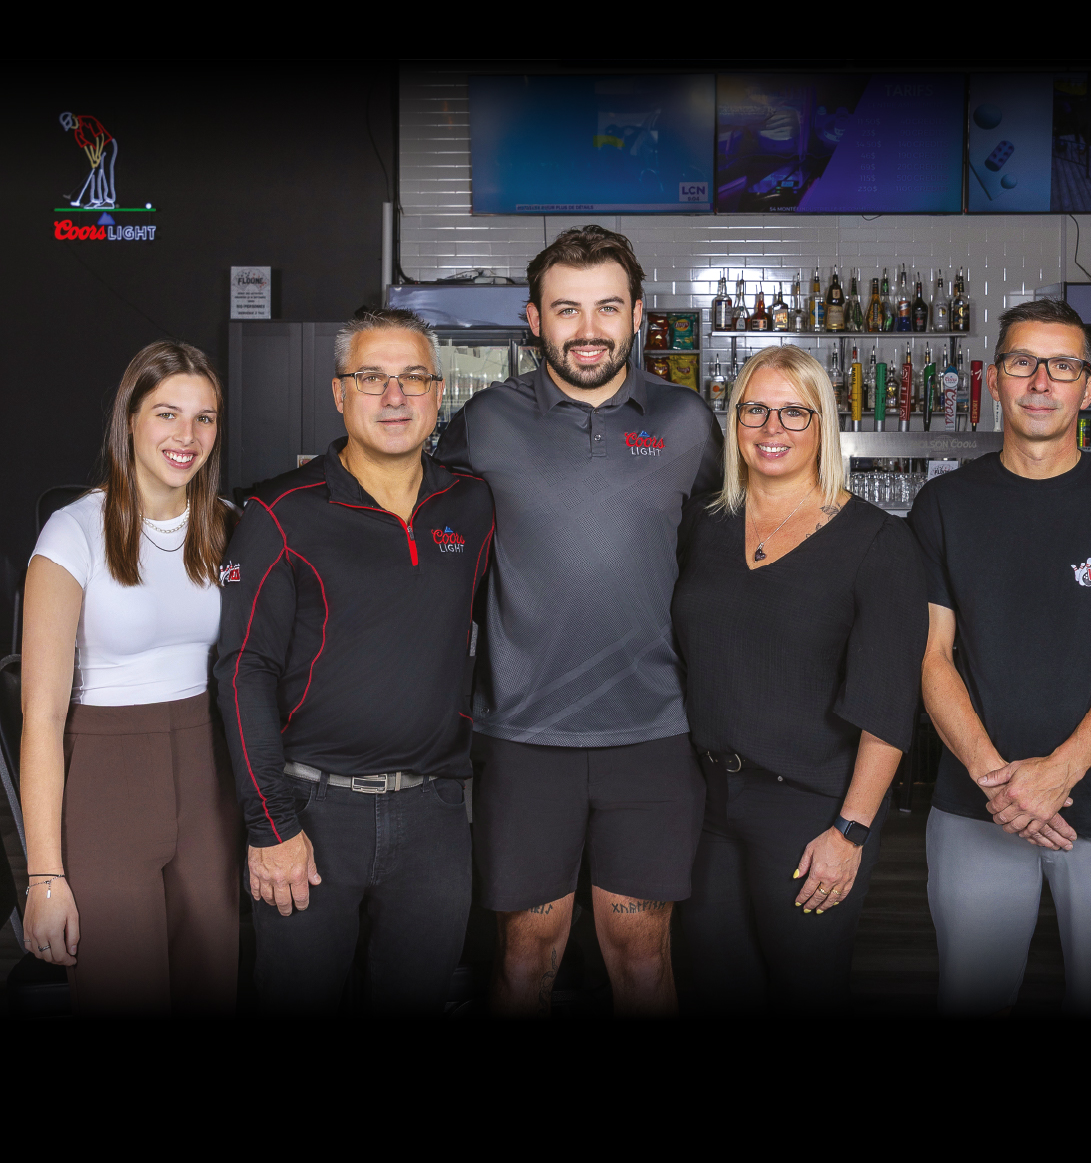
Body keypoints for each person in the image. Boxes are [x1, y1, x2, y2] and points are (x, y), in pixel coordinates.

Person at [436, 225, 723, 1016]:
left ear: (638, 316)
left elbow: (726, 549)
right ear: (534, 319)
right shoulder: (485, 421)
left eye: (606, 307)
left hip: (654, 735)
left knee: (641, 956)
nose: (587, 329)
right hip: (524, 738)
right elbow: (417, 520)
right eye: (567, 309)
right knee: (527, 959)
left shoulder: (687, 422)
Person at [910, 299, 1091, 1016]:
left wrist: (1057, 774)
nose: (1041, 381)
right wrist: (1000, 784)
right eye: (1021, 362)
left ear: (1088, 388)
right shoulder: (943, 504)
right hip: (977, 807)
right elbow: (929, 657)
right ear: (994, 379)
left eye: (1063, 365)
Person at [214, 307, 494, 1015]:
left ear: (438, 394)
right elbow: (243, 670)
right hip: (311, 814)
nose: (394, 396)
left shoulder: (473, 505)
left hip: (435, 816)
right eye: (372, 378)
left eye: (413, 378)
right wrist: (270, 825)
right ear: (339, 393)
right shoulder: (279, 512)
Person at [671, 346, 927, 1014]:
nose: (771, 427)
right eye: (755, 409)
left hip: (809, 808)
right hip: (704, 803)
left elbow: (890, 706)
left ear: (823, 425)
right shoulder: (703, 524)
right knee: (710, 986)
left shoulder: (877, 542)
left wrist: (849, 833)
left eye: (794, 412)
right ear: (734, 420)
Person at [21, 341, 239, 1014]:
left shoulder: (229, 528)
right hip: (107, 784)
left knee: (213, 985)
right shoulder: (74, 534)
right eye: (168, 414)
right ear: (131, 421)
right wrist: (45, 876)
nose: (187, 436)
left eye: (205, 419)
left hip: (207, 781)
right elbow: (41, 715)